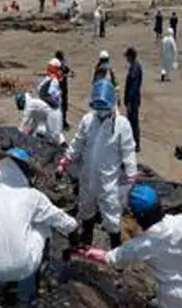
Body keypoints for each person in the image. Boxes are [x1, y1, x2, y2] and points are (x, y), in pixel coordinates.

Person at [0, 148, 79, 305]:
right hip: (25, 268)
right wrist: (74, 233)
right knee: (42, 223)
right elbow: (63, 221)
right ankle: (36, 281)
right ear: (24, 171)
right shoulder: (33, 196)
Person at [57, 79, 137, 249]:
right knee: (86, 207)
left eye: (103, 107)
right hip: (87, 176)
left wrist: (131, 173)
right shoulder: (88, 120)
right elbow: (78, 142)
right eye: (97, 108)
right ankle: (87, 238)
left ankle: (115, 247)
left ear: (111, 104)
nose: (100, 112)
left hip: (108, 180)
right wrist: (66, 160)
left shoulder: (121, 125)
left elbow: (128, 150)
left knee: (111, 212)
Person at [123, 47, 143, 152]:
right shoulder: (134, 66)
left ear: (130, 56)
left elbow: (133, 87)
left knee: (133, 122)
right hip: (133, 100)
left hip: (133, 100)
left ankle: (136, 144)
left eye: (127, 56)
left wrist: (130, 102)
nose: (126, 58)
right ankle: (133, 143)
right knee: (131, 122)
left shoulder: (135, 68)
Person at [55, 50, 73, 130]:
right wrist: (66, 75)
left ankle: (63, 121)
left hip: (64, 89)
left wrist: (70, 73)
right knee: (58, 106)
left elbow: (70, 72)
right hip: (57, 89)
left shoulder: (63, 66)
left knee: (64, 106)